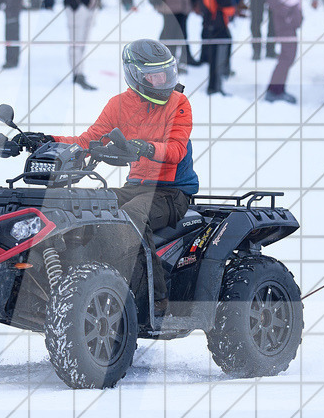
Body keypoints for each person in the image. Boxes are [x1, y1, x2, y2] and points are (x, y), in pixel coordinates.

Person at [25, 39, 198, 315]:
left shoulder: (179, 103)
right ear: (136, 76)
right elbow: (87, 140)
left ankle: (157, 300)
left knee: (130, 218)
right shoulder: (119, 105)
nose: (161, 80)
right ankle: (82, 280)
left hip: (172, 192)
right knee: (84, 208)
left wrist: (146, 147)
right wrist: (47, 141)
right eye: (153, 75)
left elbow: (177, 150)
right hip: (135, 187)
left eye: (164, 73)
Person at [265, 0, 301, 104]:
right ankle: (274, 90)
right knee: (287, 55)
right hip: (283, 21)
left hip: (292, 20)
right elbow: (272, 0)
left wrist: (299, 15)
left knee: (290, 55)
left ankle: (278, 88)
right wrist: (287, 14)